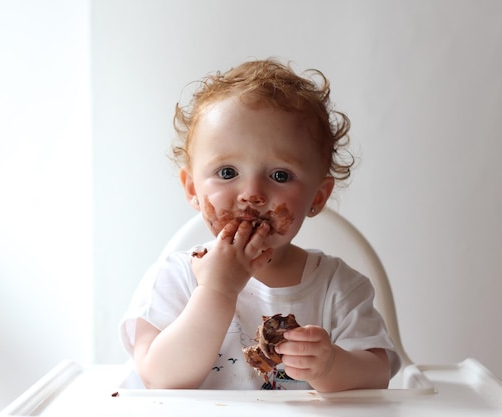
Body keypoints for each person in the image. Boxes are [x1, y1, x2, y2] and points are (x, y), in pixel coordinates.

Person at [120, 58, 400, 392]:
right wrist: (217, 291)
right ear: (193, 189)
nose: (252, 194)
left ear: (318, 196)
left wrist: (330, 366)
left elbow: (378, 374)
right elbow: (159, 378)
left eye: (280, 175)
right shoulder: (175, 278)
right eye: (227, 173)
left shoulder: (337, 288)